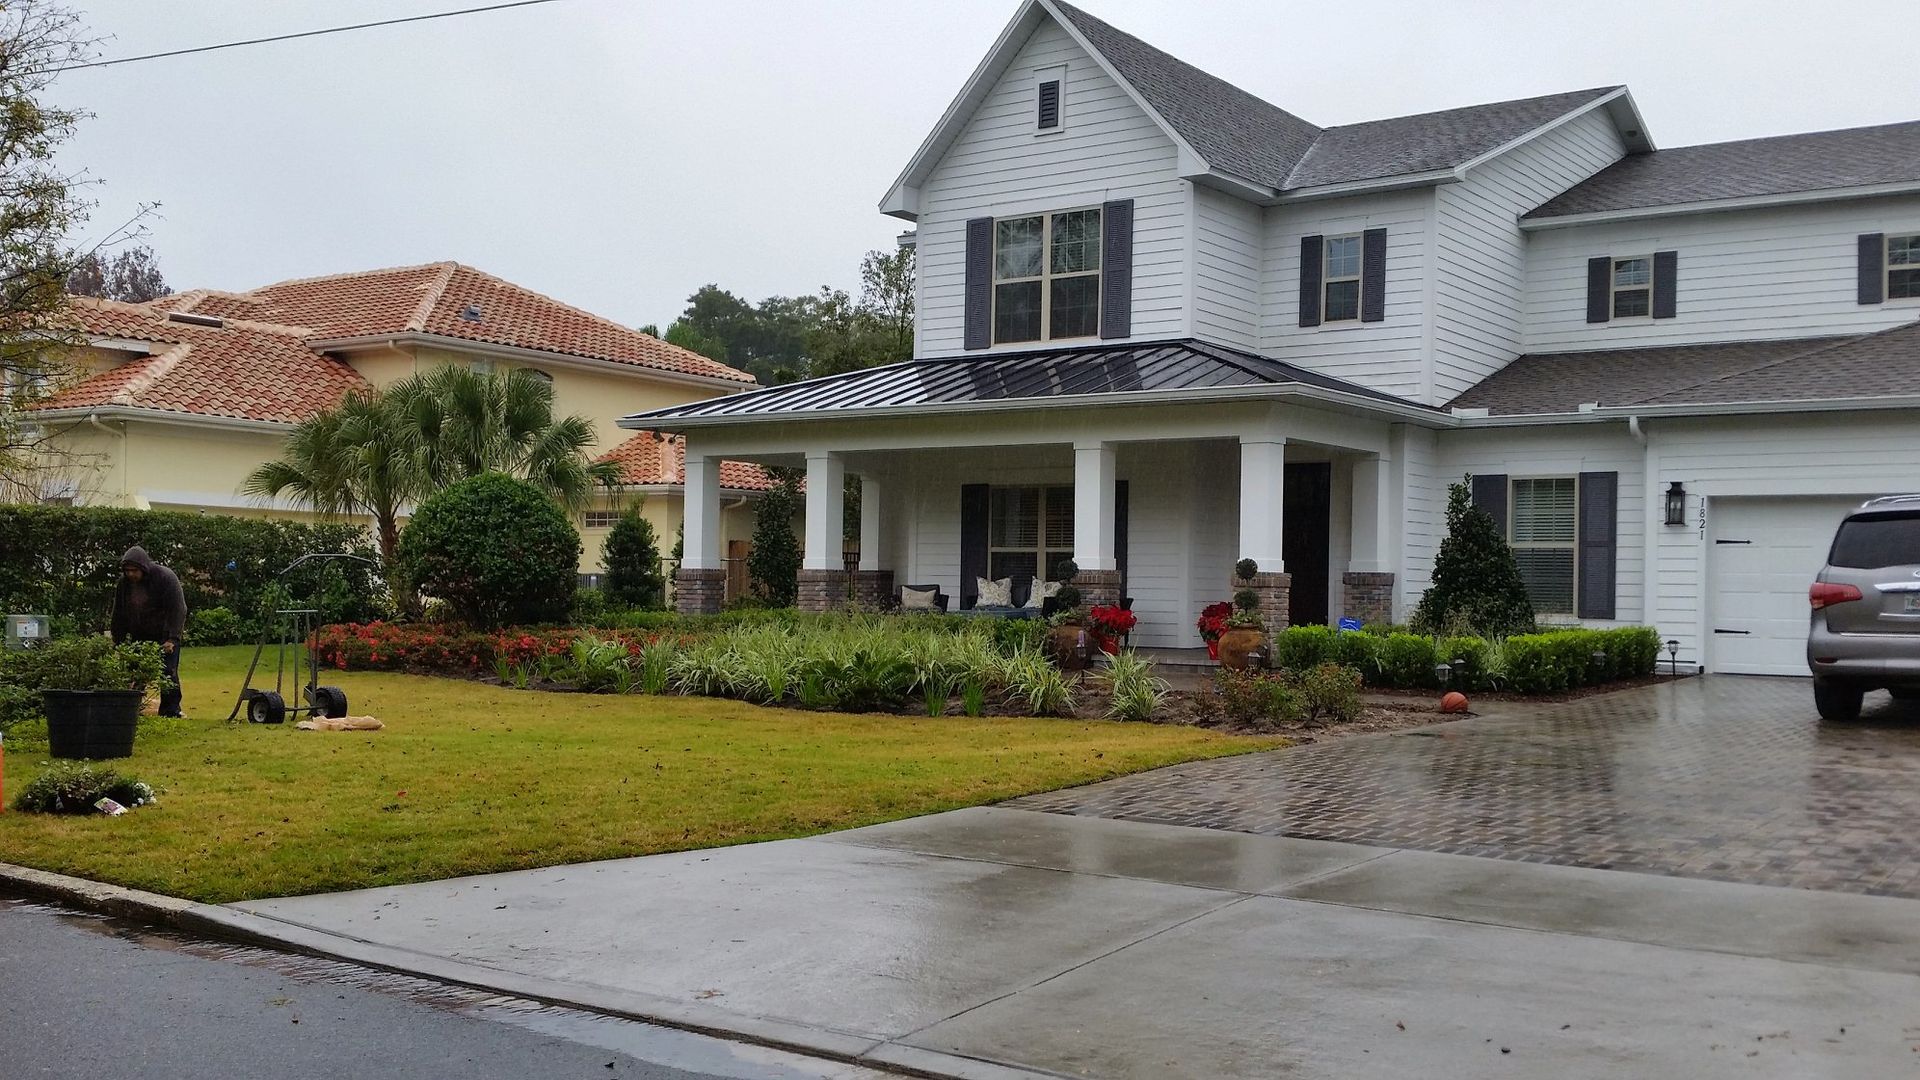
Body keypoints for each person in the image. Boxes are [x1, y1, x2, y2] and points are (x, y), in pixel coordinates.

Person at [110, 546, 187, 717]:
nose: (131, 574)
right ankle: (130, 710)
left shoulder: (165, 578)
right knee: (134, 673)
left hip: (164, 634)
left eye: (134, 570)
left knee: (167, 672)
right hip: (139, 635)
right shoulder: (124, 585)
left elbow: (178, 609)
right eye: (127, 571)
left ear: (143, 568)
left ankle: (171, 711)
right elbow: (118, 614)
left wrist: (172, 638)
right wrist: (118, 641)